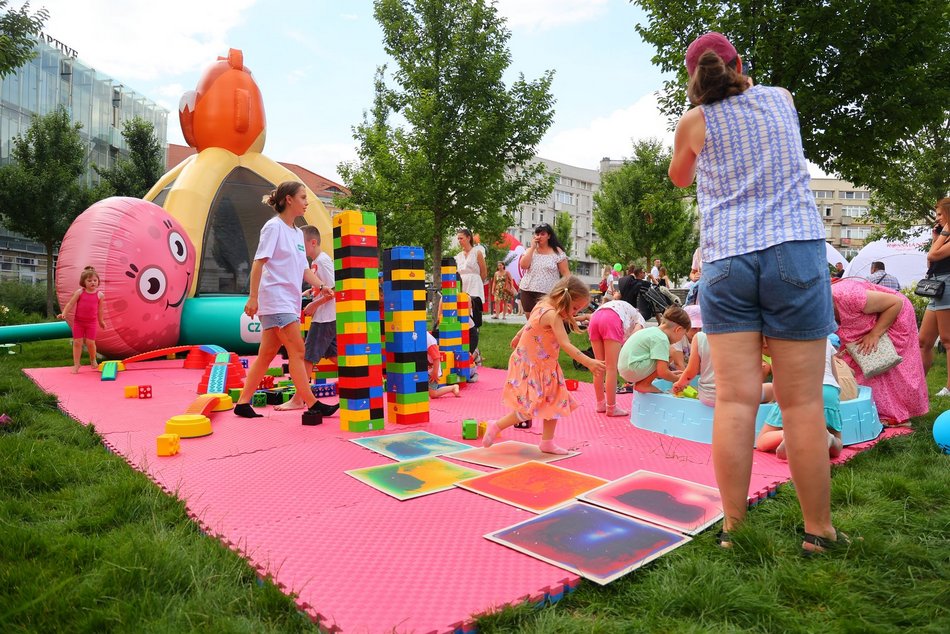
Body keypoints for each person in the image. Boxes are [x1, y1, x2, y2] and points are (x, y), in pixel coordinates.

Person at [668, 32, 845, 554]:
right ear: (738, 64)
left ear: (694, 78)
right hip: (794, 247)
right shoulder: (782, 98)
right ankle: (819, 532)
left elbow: (680, 178)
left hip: (727, 259)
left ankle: (734, 530)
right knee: (803, 403)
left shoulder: (694, 122)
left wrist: (695, 131)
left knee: (735, 401)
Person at [233, 181, 338, 419]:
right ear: (289, 199)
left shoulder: (297, 234)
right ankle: (311, 403)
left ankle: (242, 402)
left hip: (287, 301)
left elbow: (304, 270)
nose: (306, 202)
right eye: (302, 197)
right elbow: (259, 262)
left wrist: (322, 287)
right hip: (276, 299)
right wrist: (253, 297)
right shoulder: (273, 227)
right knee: (298, 351)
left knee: (267, 354)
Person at [482, 276, 606, 454]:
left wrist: (517, 337)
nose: (574, 313)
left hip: (546, 367)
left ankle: (547, 442)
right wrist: (589, 362)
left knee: (554, 403)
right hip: (533, 367)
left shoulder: (542, 305)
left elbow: (529, 325)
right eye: (575, 308)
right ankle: (497, 425)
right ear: (564, 299)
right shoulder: (552, 315)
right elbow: (565, 344)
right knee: (528, 409)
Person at [831, 277, 928, 425]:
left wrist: (875, 334)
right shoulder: (813, 313)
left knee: (886, 363)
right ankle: (873, 410)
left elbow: (895, 303)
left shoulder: (849, 295)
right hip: (866, 322)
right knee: (859, 364)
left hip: (893, 314)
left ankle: (895, 414)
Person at [276, 225, 337, 411]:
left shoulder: (324, 260)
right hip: (327, 317)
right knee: (336, 356)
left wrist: (313, 305)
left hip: (324, 318)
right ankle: (361, 379)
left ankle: (298, 399)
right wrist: (311, 291)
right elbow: (323, 286)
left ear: (312, 242)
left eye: (300, 245)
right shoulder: (315, 262)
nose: (298, 249)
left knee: (307, 357)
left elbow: (333, 289)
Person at [756, 334, 844, 460]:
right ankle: (828, 438)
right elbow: (835, 379)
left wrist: (774, 404)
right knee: (837, 443)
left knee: (762, 441)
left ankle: (791, 435)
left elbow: (779, 385)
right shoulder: (824, 338)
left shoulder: (779, 341)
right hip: (829, 391)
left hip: (797, 390)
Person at [587, 297, 647, 416]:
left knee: (599, 365)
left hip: (596, 317)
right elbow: (634, 338)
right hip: (612, 318)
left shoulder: (628, 312)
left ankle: (600, 403)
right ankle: (611, 407)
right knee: (611, 367)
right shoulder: (640, 320)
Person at [617, 306, 690, 393]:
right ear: (678, 330)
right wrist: (679, 380)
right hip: (632, 369)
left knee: (665, 355)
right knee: (671, 352)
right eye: (683, 335)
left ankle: (644, 382)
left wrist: (669, 374)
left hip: (625, 368)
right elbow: (662, 372)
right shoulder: (662, 339)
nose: (681, 338)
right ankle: (644, 384)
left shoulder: (653, 331)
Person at [918, 197, 950, 396]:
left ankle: (949, 388)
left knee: (947, 339)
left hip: (948, 284)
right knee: (923, 340)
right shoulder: (942, 237)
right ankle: (919, 385)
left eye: (939, 214)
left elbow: (933, 256)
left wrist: (944, 232)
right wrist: (936, 236)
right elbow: (930, 264)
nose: (936, 218)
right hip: (936, 285)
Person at [57, 266, 106, 373]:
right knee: (77, 342)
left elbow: (100, 310)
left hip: (91, 323)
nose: (93, 282)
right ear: (83, 282)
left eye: (95, 280)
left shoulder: (100, 295)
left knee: (90, 343)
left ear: (98, 281)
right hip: (79, 322)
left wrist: (101, 321)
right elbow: (70, 303)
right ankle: (76, 364)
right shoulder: (80, 292)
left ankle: (93, 359)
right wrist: (64, 313)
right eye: (89, 281)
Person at [518, 223, 569, 315]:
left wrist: (567, 290)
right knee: (531, 322)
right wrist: (532, 247)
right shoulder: (531, 250)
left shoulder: (557, 252)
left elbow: (566, 273)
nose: (539, 237)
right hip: (528, 289)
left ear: (549, 236)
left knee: (544, 317)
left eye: (542, 234)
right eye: (537, 234)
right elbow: (523, 265)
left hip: (547, 292)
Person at [455, 228, 487, 368]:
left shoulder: (477, 252)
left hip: (475, 286)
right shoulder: (458, 256)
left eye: (461, 238)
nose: (459, 241)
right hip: (463, 286)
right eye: (458, 238)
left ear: (468, 238)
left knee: (474, 319)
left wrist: (478, 284)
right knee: (464, 319)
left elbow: (484, 272)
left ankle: (474, 351)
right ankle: (468, 350)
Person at [426, 331, 460, 398]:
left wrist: (434, 373)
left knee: (433, 394)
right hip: (425, 368)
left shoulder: (429, 341)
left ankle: (453, 387)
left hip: (433, 369)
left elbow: (436, 358)